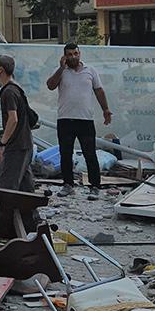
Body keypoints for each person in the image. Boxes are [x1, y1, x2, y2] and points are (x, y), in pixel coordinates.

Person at [45, 43, 111, 196]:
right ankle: (68, 184)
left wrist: (105, 109)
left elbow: (99, 90)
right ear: (65, 56)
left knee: (90, 154)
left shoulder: (90, 70)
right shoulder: (59, 71)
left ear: (79, 53)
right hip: (65, 119)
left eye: (75, 53)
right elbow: (50, 86)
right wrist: (61, 68)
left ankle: (94, 186)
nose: (73, 57)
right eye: (69, 54)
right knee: (65, 153)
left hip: (85, 119)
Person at [0, 54, 36, 240]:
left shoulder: (8, 91)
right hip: (25, 144)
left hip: (16, 146)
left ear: (1, 69)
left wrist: (2, 144)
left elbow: (13, 119)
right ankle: (33, 224)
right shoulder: (16, 88)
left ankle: (6, 229)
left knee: (6, 190)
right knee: (26, 187)